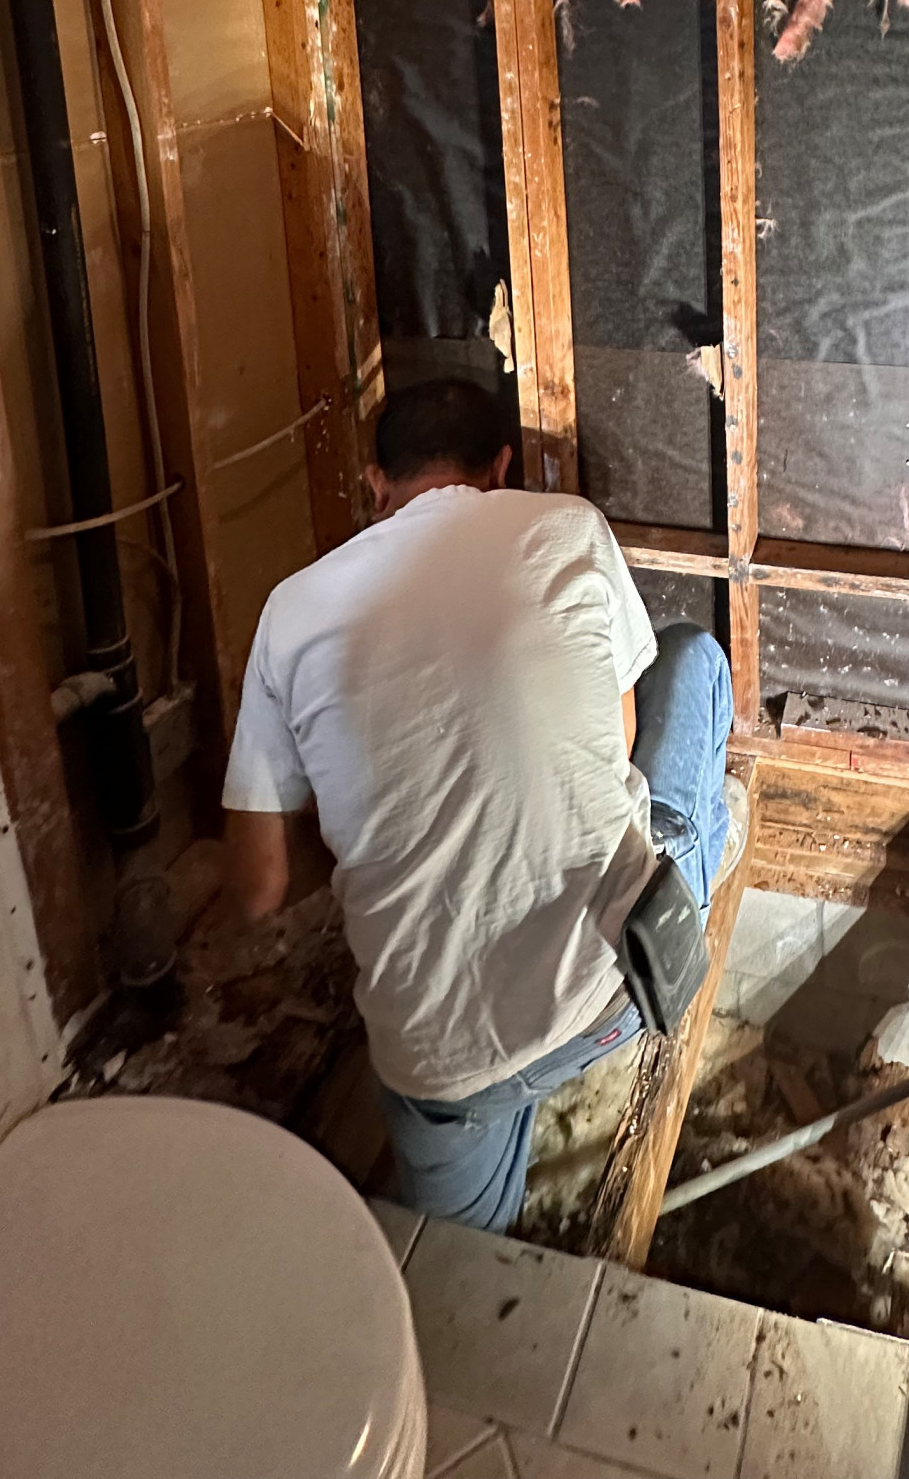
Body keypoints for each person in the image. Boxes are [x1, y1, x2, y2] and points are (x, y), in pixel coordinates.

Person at [221, 376, 735, 1232]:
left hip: (439, 1069)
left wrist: (364, 823)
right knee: (691, 659)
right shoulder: (568, 526)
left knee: (456, 1269)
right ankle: (687, 904)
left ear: (373, 486)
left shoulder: (290, 614)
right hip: (615, 989)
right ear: (499, 468)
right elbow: (618, 742)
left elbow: (256, 886)